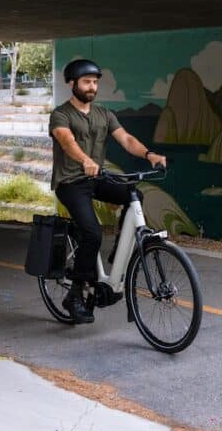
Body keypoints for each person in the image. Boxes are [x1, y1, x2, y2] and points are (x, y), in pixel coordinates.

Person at [49, 58, 167, 324]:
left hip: (97, 178)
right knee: (91, 233)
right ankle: (76, 295)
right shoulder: (61, 114)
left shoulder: (104, 114)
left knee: (134, 194)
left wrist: (149, 154)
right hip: (71, 182)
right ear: (72, 84)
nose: (92, 87)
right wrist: (85, 160)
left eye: (95, 83)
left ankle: (120, 251)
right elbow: (66, 140)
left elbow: (126, 139)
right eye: (87, 82)